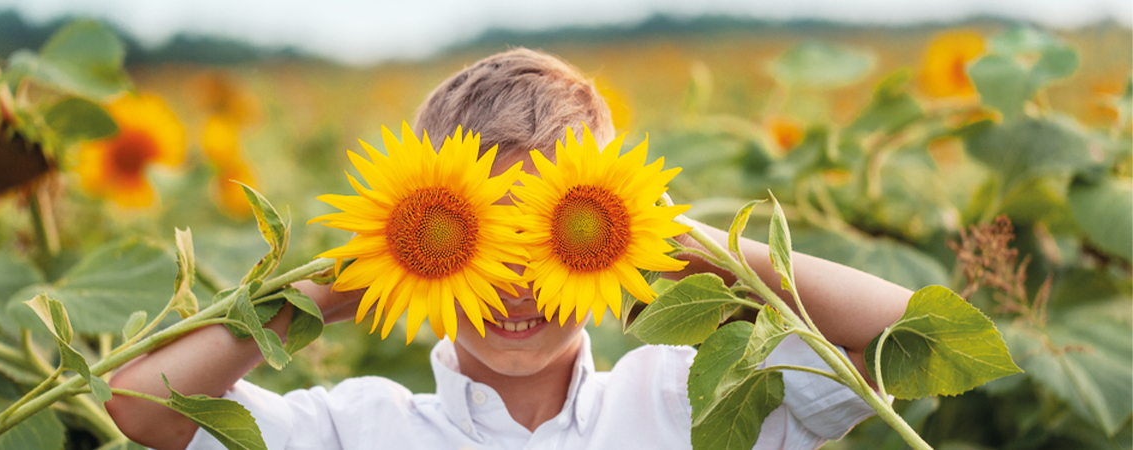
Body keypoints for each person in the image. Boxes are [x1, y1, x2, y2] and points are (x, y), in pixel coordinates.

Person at [106, 48, 911, 450]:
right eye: (478, 245)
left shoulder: (689, 403)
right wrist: (342, 283)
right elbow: (142, 406)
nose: (516, 286)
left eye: (548, 243)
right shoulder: (358, 430)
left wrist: (684, 243)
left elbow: (903, 339)